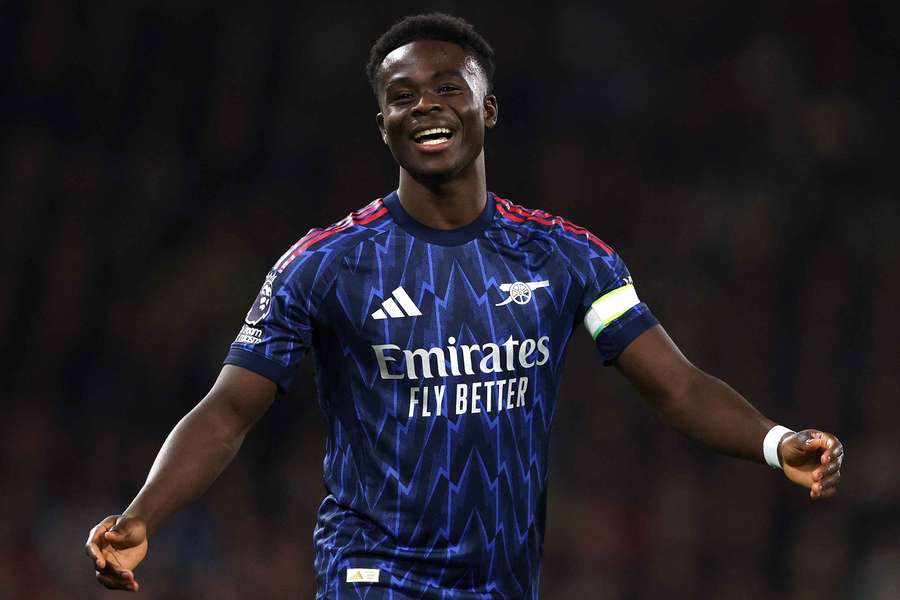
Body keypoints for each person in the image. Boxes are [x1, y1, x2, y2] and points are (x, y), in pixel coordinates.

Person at [85, 13, 844, 598]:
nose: (426, 105)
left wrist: (777, 443)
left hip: (503, 579)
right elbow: (226, 412)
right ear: (383, 123)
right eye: (401, 95)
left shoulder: (566, 255)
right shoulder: (324, 265)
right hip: (371, 573)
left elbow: (675, 385)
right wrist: (143, 514)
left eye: (449, 86)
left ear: (489, 108)